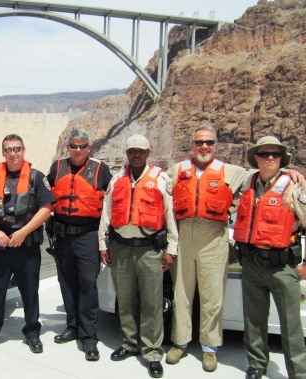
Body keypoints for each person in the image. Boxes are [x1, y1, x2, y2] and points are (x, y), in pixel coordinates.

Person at [165, 125, 305, 372]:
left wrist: (290, 172)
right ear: (192, 146)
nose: (204, 147)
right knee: (182, 294)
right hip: (185, 234)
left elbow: (267, 171)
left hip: (214, 238)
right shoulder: (177, 170)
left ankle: (210, 348)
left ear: (215, 145)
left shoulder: (232, 172)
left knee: (212, 296)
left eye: (209, 142)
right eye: (199, 143)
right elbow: (159, 188)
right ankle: (180, 342)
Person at [98, 134, 178, 378]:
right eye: (132, 150)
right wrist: (103, 243)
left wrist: (172, 249)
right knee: (126, 299)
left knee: (152, 302)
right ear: (127, 153)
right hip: (121, 248)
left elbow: (169, 215)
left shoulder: (160, 179)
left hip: (149, 250)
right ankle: (130, 343)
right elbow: (107, 214)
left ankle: (152, 351)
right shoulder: (116, 179)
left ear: (148, 152)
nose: (136, 154)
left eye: (140, 151)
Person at [0, 134, 54, 354]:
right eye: (8, 149)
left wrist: (23, 232)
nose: (13, 153)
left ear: (24, 150)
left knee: (29, 291)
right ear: (3, 153)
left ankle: (32, 333)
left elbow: (46, 208)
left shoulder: (36, 178)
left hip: (26, 245)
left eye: (17, 149)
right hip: (0, 244)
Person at [233, 136, 306, 379]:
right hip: (252, 263)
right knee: (253, 320)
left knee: (291, 326)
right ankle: (256, 364)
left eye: (275, 154)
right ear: (256, 158)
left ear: (282, 159)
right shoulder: (248, 181)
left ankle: (298, 373)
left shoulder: (293, 186)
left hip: (282, 267)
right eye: (264, 154)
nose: (270, 158)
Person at [46, 129, 112, 361]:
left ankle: (89, 337)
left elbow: (111, 203)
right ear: (68, 147)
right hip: (62, 236)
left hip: (88, 236)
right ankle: (72, 326)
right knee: (67, 283)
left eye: (82, 146)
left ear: (88, 148)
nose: (77, 150)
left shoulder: (100, 170)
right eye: (73, 146)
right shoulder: (56, 168)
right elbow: (45, 198)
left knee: (87, 284)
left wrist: (106, 240)